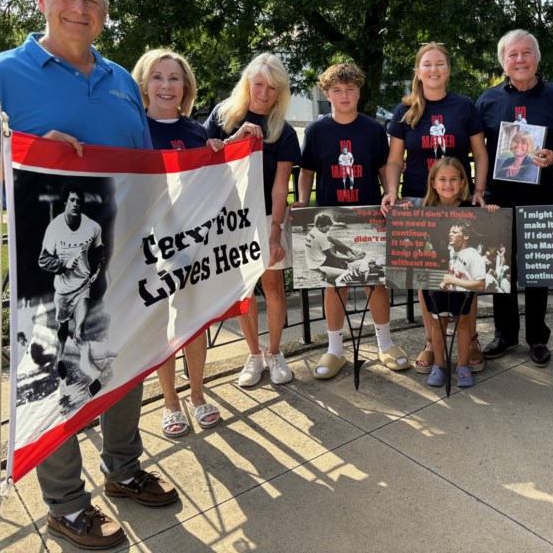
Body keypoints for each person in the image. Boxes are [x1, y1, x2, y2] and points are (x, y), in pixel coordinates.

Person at [0, 0, 176, 550]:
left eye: (91, 0)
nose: (79, 8)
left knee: (122, 367)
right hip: (49, 275)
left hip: (122, 260)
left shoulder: (123, 80)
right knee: (57, 378)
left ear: (105, 12)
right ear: (41, 1)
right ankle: (66, 505)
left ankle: (123, 470)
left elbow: (148, 169)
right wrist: (28, 153)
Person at [131, 48, 227, 436]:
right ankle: (170, 402)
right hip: (146, 245)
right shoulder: (133, 130)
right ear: (144, 84)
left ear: (185, 86)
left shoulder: (197, 132)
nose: (166, 85)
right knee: (160, 325)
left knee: (193, 321)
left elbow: (213, 185)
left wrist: (225, 150)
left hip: (190, 242)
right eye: (157, 77)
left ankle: (199, 394)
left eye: (174, 78)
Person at [296, 63, 412, 379]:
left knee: (375, 281)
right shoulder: (317, 130)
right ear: (326, 92)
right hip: (329, 220)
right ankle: (335, 349)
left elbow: (384, 167)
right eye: (337, 90)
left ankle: (385, 343)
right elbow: (307, 172)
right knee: (334, 285)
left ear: (359, 91)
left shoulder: (373, 129)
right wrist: (303, 203)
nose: (344, 95)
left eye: (350, 89)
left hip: (368, 216)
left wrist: (391, 192)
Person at [381, 42, 489, 374]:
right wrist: (390, 192)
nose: (433, 69)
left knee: (466, 274)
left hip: (458, 203)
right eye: (427, 64)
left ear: (448, 69)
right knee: (427, 278)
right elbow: (395, 159)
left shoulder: (465, 106)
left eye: (440, 63)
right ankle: (432, 342)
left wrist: (480, 191)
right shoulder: (405, 110)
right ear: (418, 70)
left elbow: (481, 154)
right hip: (418, 200)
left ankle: (470, 341)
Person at [205, 53, 301, 388]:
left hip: (265, 216)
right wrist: (228, 143)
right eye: (258, 83)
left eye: (272, 87)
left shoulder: (283, 132)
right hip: (230, 219)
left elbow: (280, 188)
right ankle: (254, 354)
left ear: (280, 93)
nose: (264, 92)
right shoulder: (223, 116)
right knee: (243, 288)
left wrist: (274, 233)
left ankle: (275, 352)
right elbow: (203, 166)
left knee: (273, 285)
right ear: (247, 82)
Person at [477, 30, 553, 366]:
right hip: (497, 199)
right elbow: (479, 149)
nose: (520, 60)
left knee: (538, 272)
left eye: (526, 53)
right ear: (503, 61)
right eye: (513, 54)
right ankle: (504, 334)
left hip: (542, 197)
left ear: (537, 57)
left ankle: (536, 337)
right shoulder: (487, 100)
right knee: (500, 271)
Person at [415, 158, 499, 387]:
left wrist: (491, 213)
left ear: (463, 182)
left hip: (464, 277)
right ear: (433, 183)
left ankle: (462, 365)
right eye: (442, 179)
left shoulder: (472, 210)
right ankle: (439, 365)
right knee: (438, 323)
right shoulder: (422, 209)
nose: (448, 184)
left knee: (463, 322)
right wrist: (403, 208)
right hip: (435, 279)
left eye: (454, 179)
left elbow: (489, 233)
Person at [38, 183, 105, 390]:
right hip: (63, 290)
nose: (76, 204)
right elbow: (43, 259)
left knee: (80, 333)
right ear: (66, 202)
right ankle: (60, 358)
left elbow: (98, 250)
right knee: (63, 328)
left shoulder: (93, 227)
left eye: (79, 201)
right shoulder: (55, 229)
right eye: (72, 200)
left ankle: (94, 376)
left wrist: (96, 271)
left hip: (83, 286)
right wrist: (62, 265)